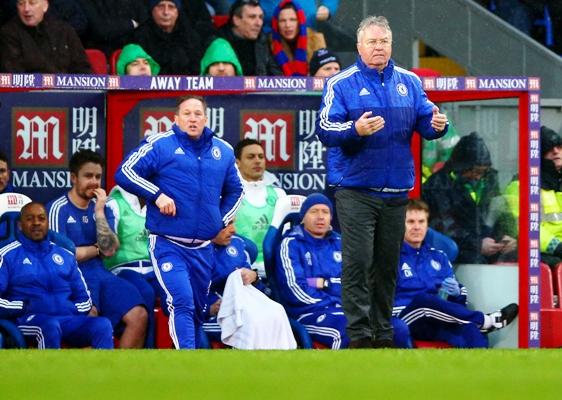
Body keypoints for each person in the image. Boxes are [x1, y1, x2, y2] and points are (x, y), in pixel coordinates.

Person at [315, 15, 449, 348]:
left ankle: (383, 332)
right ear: (359, 46)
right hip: (355, 189)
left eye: (384, 42)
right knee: (359, 261)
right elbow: (324, 130)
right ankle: (359, 335)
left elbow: (427, 121)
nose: (379, 48)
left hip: (395, 190)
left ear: (391, 45)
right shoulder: (340, 83)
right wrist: (354, 130)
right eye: (372, 42)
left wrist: (438, 124)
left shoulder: (410, 81)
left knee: (388, 265)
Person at [114, 95, 244, 349]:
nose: (193, 118)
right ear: (176, 119)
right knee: (181, 301)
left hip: (203, 247)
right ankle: (186, 358)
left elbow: (236, 190)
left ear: (206, 119)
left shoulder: (223, 151)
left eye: (198, 114)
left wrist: (221, 219)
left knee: (196, 308)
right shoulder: (160, 144)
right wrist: (157, 195)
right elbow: (125, 172)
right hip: (167, 242)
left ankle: (192, 364)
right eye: (187, 114)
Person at [275, 193, 411, 349]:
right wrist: (335, 295)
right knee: (351, 332)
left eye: (325, 212)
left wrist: (325, 283)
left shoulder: (342, 242)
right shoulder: (290, 244)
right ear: (303, 217)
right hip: (312, 312)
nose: (320, 217)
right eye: (314, 211)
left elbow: (360, 282)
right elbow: (294, 288)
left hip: (347, 310)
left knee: (396, 329)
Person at [47, 150, 148, 348]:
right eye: (88, 176)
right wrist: (96, 249)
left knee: (139, 315)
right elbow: (65, 257)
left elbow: (109, 250)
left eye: (98, 177)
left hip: (102, 274)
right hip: (72, 277)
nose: (94, 182)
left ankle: (118, 375)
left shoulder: (104, 207)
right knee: (90, 318)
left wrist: (99, 211)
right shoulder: (57, 208)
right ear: (73, 177)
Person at [393, 199, 519, 348]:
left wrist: (457, 293)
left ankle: (483, 366)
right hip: (405, 318)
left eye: (421, 222)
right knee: (424, 301)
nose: (416, 227)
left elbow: (459, 302)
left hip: (438, 319)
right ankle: (485, 321)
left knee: (471, 331)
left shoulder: (439, 257)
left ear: (427, 225)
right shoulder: (391, 257)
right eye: (411, 222)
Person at [0, 202, 114, 349]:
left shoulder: (65, 255)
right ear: (20, 225)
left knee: (102, 324)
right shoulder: (7, 255)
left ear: (48, 223)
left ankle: (103, 371)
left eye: (41, 218)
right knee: (50, 326)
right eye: (30, 219)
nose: (36, 223)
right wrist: (22, 306)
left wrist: (69, 309)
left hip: (67, 319)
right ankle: (50, 371)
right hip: (29, 320)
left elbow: (85, 299)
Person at [423, 132, 517, 264]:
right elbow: (444, 226)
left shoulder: (488, 180)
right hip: (457, 247)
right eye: (476, 171)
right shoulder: (437, 186)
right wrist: (476, 245)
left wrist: (507, 236)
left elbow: (500, 210)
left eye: (483, 172)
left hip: (487, 244)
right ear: (461, 166)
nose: (479, 176)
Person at [204, 222, 295, 349]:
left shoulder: (237, 243)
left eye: (233, 223)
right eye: (227, 225)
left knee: (276, 313)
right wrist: (209, 309)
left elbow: (254, 287)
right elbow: (183, 302)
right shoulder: (193, 252)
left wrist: (254, 277)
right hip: (212, 316)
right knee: (250, 323)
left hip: (245, 307)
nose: (233, 230)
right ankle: (252, 366)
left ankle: (281, 363)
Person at [234, 138, 286, 277]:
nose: (257, 161)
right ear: (237, 163)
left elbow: (287, 236)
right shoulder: (230, 195)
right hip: (242, 270)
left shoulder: (279, 195)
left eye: (261, 157)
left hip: (275, 270)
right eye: (251, 157)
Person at [0, 0, 91, 73]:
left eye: (32, 3)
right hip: (29, 94)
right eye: (21, 3)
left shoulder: (64, 31)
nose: (26, 9)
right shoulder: (8, 33)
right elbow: (14, 78)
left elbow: (84, 71)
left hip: (67, 94)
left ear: (45, 6)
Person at [132, 0, 204, 75]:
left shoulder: (190, 36)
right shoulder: (140, 36)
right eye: (161, 6)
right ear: (152, 10)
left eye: (171, 7)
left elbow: (196, 69)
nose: (166, 12)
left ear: (177, 12)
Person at [218, 0, 281, 76]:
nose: (259, 23)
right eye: (252, 17)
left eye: (261, 17)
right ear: (236, 20)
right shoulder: (218, 42)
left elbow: (278, 77)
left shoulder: (262, 40)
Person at [269, 0, 326, 76]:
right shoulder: (270, 43)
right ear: (276, 24)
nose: (287, 25)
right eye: (282, 21)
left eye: (292, 20)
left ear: (300, 22)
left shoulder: (316, 40)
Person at [77, 0, 148, 56]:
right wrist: (131, 24)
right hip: (103, 56)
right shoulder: (86, 2)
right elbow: (101, 30)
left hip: (136, 53)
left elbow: (144, 21)